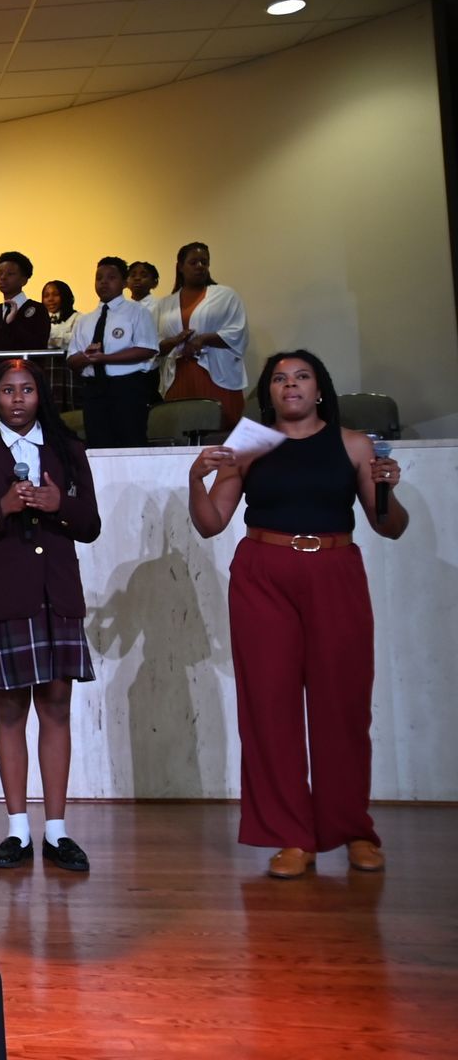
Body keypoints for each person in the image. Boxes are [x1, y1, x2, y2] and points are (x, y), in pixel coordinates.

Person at [188, 351, 407, 879]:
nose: (291, 385)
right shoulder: (250, 442)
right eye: (280, 379)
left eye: (302, 377)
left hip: (335, 570)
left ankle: (352, 829)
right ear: (270, 392)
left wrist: (388, 490)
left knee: (343, 707)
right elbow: (212, 523)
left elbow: (391, 527)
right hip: (263, 574)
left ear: (319, 388)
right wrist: (195, 480)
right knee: (269, 707)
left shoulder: (353, 443)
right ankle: (292, 836)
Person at [0, 358, 99, 873]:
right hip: (6, 598)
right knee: (10, 710)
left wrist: (59, 504)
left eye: (27, 389)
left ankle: (56, 832)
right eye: (8, 390)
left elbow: (91, 524)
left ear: (41, 395)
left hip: (58, 595)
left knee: (56, 707)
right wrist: (3, 508)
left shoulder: (67, 450)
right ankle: (17, 829)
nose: (17, 399)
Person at [67, 258, 158, 449]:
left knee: (130, 442)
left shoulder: (137, 312)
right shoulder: (85, 320)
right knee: (98, 445)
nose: (103, 282)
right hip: (93, 389)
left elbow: (147, 349)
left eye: (111, 277)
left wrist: (105, 358)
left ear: (124, 282)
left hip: (127, 388)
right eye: (99, 278)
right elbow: (72, 360)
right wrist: (87, 357)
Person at [157, 241, 248, 427]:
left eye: (204, 262)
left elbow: (237, 332)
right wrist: (174, 341)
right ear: (180, 267)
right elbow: (154, 344)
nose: (200, 266)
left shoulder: (225, 295)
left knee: (220, 428)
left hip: (217, 374)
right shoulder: (164, 304)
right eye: (193, 262)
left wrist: (203, 339)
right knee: (181, 429)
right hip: (178, 374)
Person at [0, 251, 50, 355]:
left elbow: (38, 345)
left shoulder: (38, 310)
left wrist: (12, 324)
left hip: (26, 365)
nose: (2, 277)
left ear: (24, 280)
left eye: (10, 274)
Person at [126, 260, 165, 402]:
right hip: (125, 367)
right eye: (133, 275)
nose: (137, 278)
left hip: (149, 368)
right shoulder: (122, 307)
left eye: (144, 275)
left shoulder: (159, 306)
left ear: (154, 282)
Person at [41, 280, 80, 411]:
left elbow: (74, 340)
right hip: (45, 367)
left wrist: (51, 338)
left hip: (69, 369)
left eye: (55, 294)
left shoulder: (77, 318)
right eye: (46, 296)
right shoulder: (38, 319)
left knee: (71, 406)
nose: (50, 299)